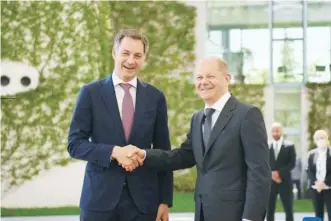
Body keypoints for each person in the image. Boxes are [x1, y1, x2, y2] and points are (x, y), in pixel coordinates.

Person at [122, 56, 271, 221]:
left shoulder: (247, 115)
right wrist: (144, 155)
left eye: (210, 76)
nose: (203, 82)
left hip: (234, 214)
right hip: (202, 213)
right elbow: (183, 156)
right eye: (199, 77)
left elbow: (259, 173)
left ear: (227, 79)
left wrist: (251, 218)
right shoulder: (198, 118)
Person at [67, 29, 173, 221]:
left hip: (144, 203)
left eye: (137, 55)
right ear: (114, 53)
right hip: (99, 200)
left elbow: (164, 151)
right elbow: (75, 144)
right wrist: (114, 152)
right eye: (125, 53)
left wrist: (164, 201)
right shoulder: (90, 93)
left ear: (144, 59)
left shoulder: (155, 97)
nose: (131, 60)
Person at [267, 122, 296, 221]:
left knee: (288, 209)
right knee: (269, 209)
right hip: (270, 183)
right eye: (273, 131)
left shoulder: (290, 146)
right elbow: (262, 163)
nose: (275, 133)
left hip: (285, 182)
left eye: (277, 131)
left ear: (281, 131)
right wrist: (272, 174)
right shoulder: (266, 146)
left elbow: (292, 163)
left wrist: (278, 173)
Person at [307, 129, 331, 221]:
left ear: (327, 139)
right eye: (318, 138)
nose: (320, 140)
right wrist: (316, 182)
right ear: (315, 140)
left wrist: (324, 183)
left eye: (322, 137)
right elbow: (308, 170)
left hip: (329, 188)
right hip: (316, 188)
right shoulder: (311, 154)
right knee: (318, 214)